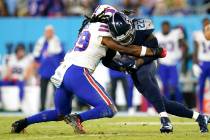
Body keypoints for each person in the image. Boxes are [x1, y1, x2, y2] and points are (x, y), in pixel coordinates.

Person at [11, 5, 166, 134]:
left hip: (64, 72)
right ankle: (78, 119)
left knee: (60, 113)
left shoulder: (90, 27)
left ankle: (23, 123)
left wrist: (122, 67)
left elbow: (106, 60)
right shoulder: (104, 31)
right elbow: (125, 48)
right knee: (109, 108)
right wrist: (154, 52)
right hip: (78, 72)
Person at [103, 11, 209, 133]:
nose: (126, 40)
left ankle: (165, 120)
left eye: (127, 36)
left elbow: (155, 51)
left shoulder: (141, 27)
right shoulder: (109, 39)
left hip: (147, 60)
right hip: (132, 67)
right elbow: (106, 61)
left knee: (143, 76)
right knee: (162, 102)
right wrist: (122, 68)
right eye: (122, 39)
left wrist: (139, 62)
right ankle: (200, 117)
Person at [33, 25, 65, 111]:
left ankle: (58, 107)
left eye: (50, 32)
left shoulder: (57, 42)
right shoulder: (41, 42)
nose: (49, 33)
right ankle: (42, 107)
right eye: (47, 32)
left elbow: (62, 56)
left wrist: (61, 70)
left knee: (57, 91)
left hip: (54, 71)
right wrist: (36, 72)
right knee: (43, 91)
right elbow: (36, 58)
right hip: (44, 71)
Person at [155, 21, 187, 103]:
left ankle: (181, 104)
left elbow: (184, 45)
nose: (165, 29)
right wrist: (157, 61)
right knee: (164, 85)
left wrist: (182, 56)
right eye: (164, 27)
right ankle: (167, 104)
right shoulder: (157, 36)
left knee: (174, 85)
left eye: (167, 27)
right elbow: (155, 50)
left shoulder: (175, 33)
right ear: (161, 27)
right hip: (162, 64)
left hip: (174, 63)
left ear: (169, 27)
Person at [193, 18, 210, 112]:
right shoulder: (198, 35)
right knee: (201, 86)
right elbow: (195, 50)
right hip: (203, 63)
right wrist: (195, 64)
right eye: (205, 23)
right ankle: (200, 109)